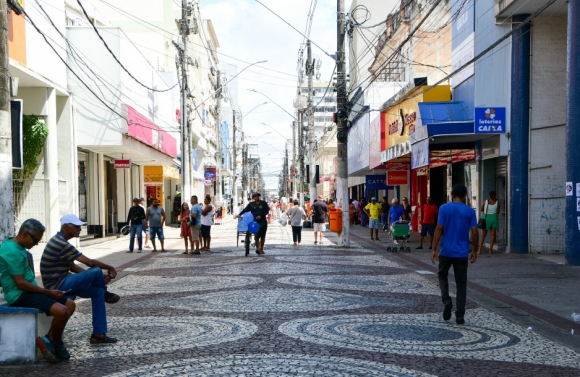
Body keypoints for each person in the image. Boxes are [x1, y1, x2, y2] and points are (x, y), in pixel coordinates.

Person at [0, 219, 75, 363]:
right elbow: (21, 284)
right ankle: (57, 343)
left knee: (70, 304)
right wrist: (48, 292)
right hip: (19, 295)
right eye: (35, 240)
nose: (36, 244)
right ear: (24, 234)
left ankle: (51, 338)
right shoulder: (11, 251)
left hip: (29, 291)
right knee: (61, 311)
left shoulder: (16, 245)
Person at [41, 214, 120, 344]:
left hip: (64, 280)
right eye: (76, 227)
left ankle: (98, 334)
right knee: (95, 271)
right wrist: (109, 267)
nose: (79, 229)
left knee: (98, 291)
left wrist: (92, 278)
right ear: (66, 226)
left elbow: (73, 267)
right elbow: (89, 263)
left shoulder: (60, 240)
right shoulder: (60, 243)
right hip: (57, 286)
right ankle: (106, 293)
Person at [431, 184, 478, 324]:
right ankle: (460, 314)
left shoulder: (444, 208)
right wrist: (475, 250)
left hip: (446, 251)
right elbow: (474, 232)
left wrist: (434, 248)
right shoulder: (470, 211)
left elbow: (439, 227)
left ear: (451, 195)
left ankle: (446, 299)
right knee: (461, 283)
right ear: (465, 196)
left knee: (442, 274)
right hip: (462, 253)